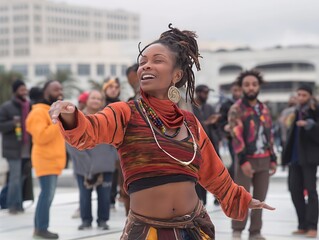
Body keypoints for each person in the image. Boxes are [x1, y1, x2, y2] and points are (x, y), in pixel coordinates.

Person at [49, 25, 274, 240]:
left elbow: (214, 172)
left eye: (157, 60)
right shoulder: (125, 113)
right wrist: (70, 115)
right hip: (147, 231)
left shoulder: (190, 122)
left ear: (176, 75)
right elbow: (90, 130)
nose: (145, 66)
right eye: (142, 61)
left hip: (195, 229)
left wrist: (241, 198)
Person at [228, 69, 277, 240]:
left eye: (254, 84)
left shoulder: (264, 109)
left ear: (259, 87)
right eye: (247, 84)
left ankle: (255, 232)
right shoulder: (236, 109)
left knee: (260, 198)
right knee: (242, 197)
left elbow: (269, 134)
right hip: (246, 160)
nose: (251, 87)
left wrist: (273, 158)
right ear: (242, 88)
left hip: (264, 159)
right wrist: (242, 160)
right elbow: (236, 134)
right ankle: (237, 229)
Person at [67, 90, 117, 230]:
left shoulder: (108, 117)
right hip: (83, 166)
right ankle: (86, 220)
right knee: (84, 196)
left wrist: (113, 157)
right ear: (87, 100)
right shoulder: (77, 118)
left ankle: (103, 220)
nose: (96, 101)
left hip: (104, 164)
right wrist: (84, 160)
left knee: (104, 196)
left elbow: (116, 138)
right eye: (93, 98)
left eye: (99, 99)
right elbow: (70, 140)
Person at [26, 80, 66, 239]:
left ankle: (40, 227)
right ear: (45, 92)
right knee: (46, 195)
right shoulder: (38, 112)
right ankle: (41, 228)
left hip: (53, 160)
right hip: (45, 160)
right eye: (55, 89)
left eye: (61, 88)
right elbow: (41, 137)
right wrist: (58, 121)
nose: (59, 92)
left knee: (47, 195)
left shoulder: (50, 111)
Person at [282, 85, 319, 238]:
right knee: (294, 190)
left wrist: (311, 126)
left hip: (309, 159)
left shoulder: (314, 110)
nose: (301, 97)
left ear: (310, 96)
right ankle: (302, 224)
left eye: (304, 95)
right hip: (294, 159)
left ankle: (312, 226)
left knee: (311, 191)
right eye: (299, 94)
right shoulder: (296, 111)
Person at [0, 79, 31, 214]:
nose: (24, 92)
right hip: (13, 149)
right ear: (15, 91)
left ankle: (18, 204)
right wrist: (13, 123)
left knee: (21, 178)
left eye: (25, 89)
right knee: (14, 178)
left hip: (27, 149)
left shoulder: (29, 106)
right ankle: (12, 205)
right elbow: (1, 126)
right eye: (21, 90)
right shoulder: (7, 107)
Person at [192, 84, 220, 206]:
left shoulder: (209, 107)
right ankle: (200, 201)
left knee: (213, 172)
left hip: (211, 145)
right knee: (198, 175)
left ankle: (214, 197)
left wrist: (215, 122)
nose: (206, 96)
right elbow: (192, 124)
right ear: (197, 93)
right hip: (196, 146)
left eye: (207, 93)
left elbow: (215, 126)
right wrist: (207, 122)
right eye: (204, 93)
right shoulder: (190, 106)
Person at [102, 78, 122, 209]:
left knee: (117, 173)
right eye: (110, 87)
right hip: (102, 146)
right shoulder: (100, 104)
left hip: (118, 145)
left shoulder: (123, 105)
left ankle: (114, 198)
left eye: (116, 87)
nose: (113, 89)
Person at [219, 82, 242, 179]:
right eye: (235, 90)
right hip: (233, 137)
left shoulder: (246, 104)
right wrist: (226, 126)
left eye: (239, 90)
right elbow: (221, 121)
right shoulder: (226, 105)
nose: (237, 93)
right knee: (236, 161)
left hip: (246, 137)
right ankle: (232, 182)